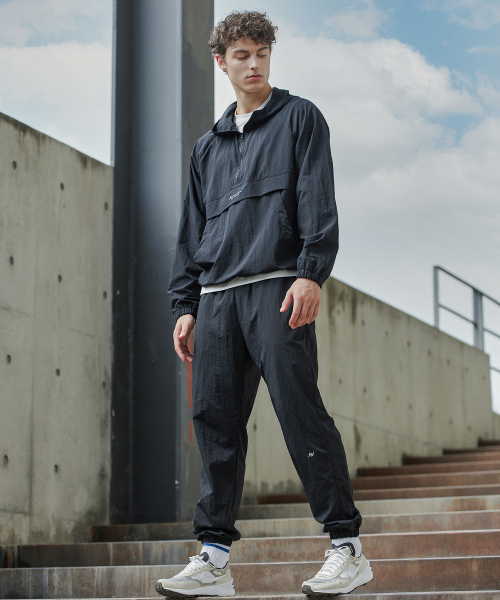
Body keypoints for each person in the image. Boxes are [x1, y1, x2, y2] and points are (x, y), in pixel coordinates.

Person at [156, 9, 373, 598]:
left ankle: (346, 547)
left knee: (300, 410)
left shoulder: (300, 118)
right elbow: (190, 232)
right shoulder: (207, 147)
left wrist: (310, 274)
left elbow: (317, 196)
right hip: (216, 300)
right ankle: (214, 558)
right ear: (221, 62)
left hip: (278, 288)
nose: (254, 65)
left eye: (262, 53)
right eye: (242, 56)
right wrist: (185, 305)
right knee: (215, 425)